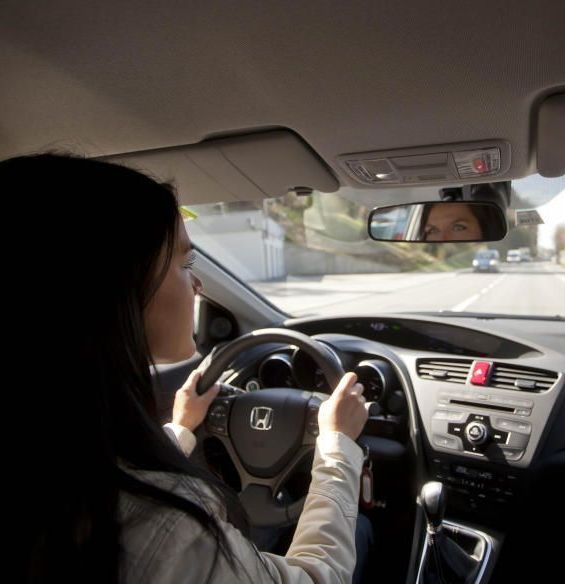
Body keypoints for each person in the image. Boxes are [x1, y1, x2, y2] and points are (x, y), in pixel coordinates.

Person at [10, 153, 369, 583]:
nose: (198, 285)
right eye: (185, 264)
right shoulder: (168, 529)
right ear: (111, 294)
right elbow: (317, 576)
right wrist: (336, 446)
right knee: (363, 530)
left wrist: (180, 430)